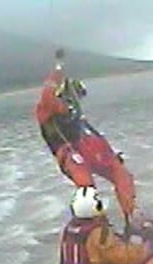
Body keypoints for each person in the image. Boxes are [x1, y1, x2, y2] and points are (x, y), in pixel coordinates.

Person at [35, 49, 137, 218]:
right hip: (69, 153)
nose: (76, 99)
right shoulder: (46, 109)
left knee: (122, 173)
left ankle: (132, 217)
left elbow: (95, 136)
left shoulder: (76, 115)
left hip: (85, 147)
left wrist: (113, 155)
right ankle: (95, 230)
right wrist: (58, 68)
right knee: (87, 191)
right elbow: (47, 96)